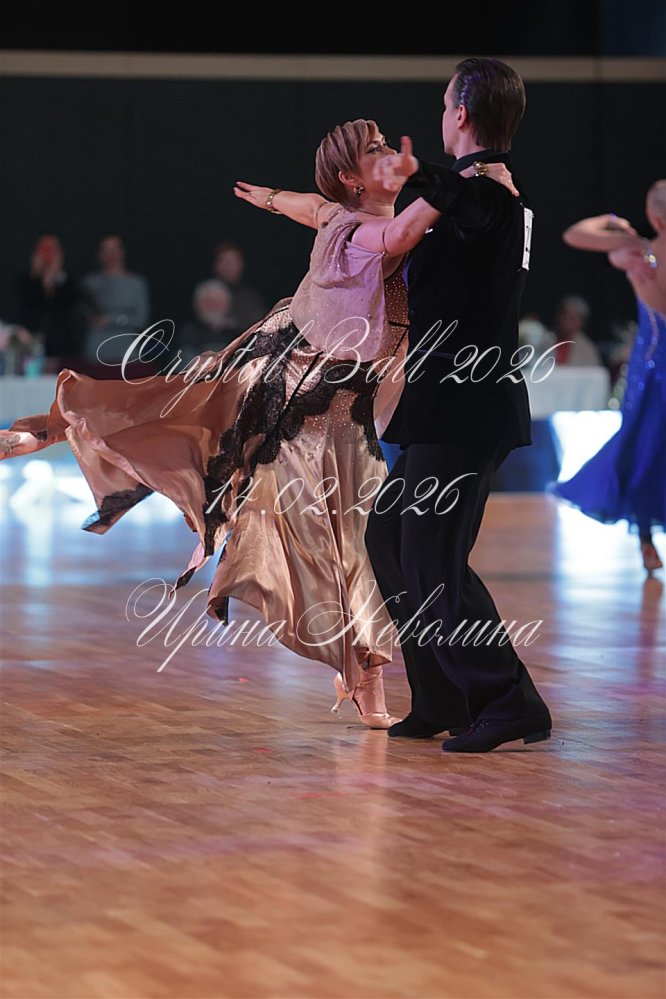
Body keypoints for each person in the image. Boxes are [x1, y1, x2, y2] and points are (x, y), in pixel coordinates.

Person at [0, 119, 515, 731]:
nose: (388, 154)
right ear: (352, 179)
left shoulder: (338, 213)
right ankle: (52, 427)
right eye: (374, 150)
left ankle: (367, 675)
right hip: (292, 387)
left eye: (385, 145)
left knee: (362, 541)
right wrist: (470, 182)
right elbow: (397, 231)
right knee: (188, 421)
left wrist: (269, 197)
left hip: (343, 406)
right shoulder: (359, 227)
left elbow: (305, 205)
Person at [365, 57, 553, 753]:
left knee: (433, 557)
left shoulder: (491, 190)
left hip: (468, 404)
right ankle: (442, 694)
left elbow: (473, 205)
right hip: (442, 403)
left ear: (463, 114)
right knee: (391, 539)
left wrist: (417, 174)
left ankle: (508, 701)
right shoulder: (480, 192)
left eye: (446, 105)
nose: (442, 115)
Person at [551, 180, 666, 574]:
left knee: (642, 445)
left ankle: (646, 538)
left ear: (653, 216)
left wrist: (613, 220)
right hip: (653, 367)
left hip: (650, 367)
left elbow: (575, 234)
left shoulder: (637, 251)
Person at [16, 233, 88, 366]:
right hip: (31, 347)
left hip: (63, 348)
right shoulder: (26, 281)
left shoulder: (69, 282)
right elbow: (28, 303)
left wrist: (55, 277)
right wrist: (37, 276)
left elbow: (72, 303)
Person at [81, 233, 151, 365]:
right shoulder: (90, 283)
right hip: (96, 350)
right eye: (106, 250)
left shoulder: (136, 283)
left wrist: (112, 320)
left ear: (122, 252)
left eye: (115, 249)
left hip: (126, 350)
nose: (111, 254)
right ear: (99, 254)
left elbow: (141, 319)